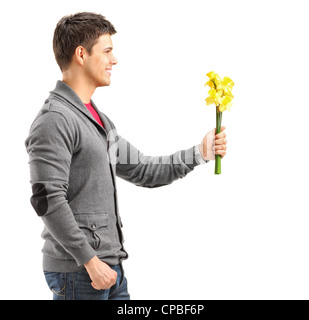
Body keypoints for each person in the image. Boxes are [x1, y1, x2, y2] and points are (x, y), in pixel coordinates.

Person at [25, 12, 228, 300]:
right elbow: (47, 200)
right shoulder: (55, 119)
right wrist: (90, 261)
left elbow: (144, 170)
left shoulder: (98, 121)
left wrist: (199, 153)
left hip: (109, 270)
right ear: (81, 54)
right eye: (107, 51)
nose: (114, 60)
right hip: (81, 272)